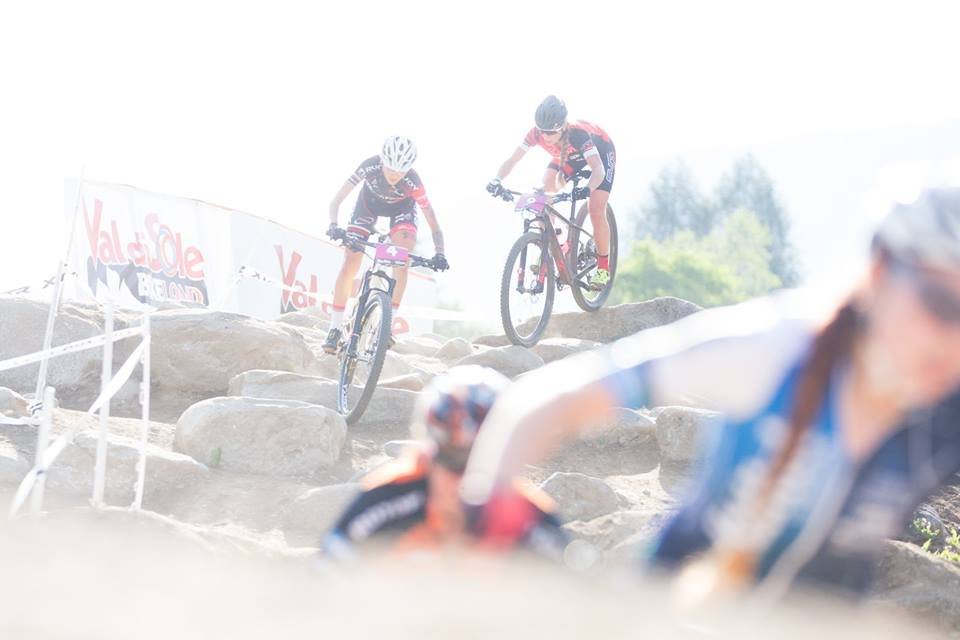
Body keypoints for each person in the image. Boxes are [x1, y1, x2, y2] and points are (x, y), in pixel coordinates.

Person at [462, 187, 960, 599]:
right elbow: (548, 396)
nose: (952, 341)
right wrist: (487, 507)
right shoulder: (775, 347)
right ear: (877, 274)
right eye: (941, 306)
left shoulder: (946, 403)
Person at [319, 366, 567, 562]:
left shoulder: (530, 517)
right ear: (429, 454)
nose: (466, 482)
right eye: (452, 461)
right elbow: (327, 567)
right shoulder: (390, 496)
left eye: (486, 468)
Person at [324, 136, 448, 353]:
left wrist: (440, 253)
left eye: (400, 171)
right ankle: (334, 328)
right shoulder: (369, 165)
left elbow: (433, 222)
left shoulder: (414, 182)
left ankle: (387, 326)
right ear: (382, 160)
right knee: (350, 262)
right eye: (390, 168)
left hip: (402, 211)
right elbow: (336, 200)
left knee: (402, 259)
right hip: (367, 206)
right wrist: (334, 225)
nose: (394, 175)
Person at [486, 95, 616, 290]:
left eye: (550, 132)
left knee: (595, 209)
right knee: (543, 190)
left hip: (601, 153)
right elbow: (513, 160)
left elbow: (598, 170)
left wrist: (587, 189)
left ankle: (604, 268)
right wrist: (496, 180)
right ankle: (554, 241)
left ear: (562, 126)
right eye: (542, 131)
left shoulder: (577, 134)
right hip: (567, 156)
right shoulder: (535, 134)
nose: (545, 136)